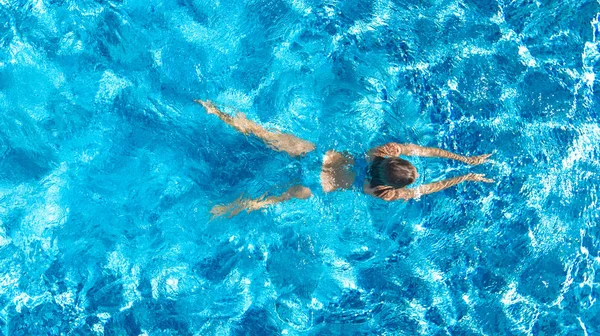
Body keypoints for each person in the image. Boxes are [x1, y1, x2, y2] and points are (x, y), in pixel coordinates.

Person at [196, 100, 493, 218]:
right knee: (269, 200)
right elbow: (426, 190)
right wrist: (464, 176)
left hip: (316, 154)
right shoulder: (384, 192)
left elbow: (426, 151)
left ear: (395, 162)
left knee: (261, 133)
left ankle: (217, 113)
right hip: (316, 184)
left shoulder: (383, 151)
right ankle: (227, 209)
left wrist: (464, 158)